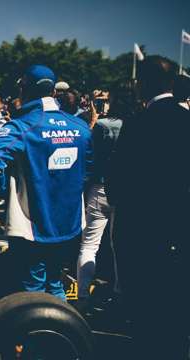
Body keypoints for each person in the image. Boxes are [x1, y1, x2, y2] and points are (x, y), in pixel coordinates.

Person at [0, 65, 93, 300]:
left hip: (34, 223)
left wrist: (4, 191)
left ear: (26, 89)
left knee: (33, 286)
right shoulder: (81, 127)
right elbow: (90, 168)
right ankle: (59, 332)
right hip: (69, 221)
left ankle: (35, 334)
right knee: (56, 282)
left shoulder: (22, 126)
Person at [109, 56, 189, 358]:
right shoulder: (186, 120)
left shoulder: (139, 122)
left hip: (140, 227)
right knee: (177, 301)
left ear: (145, 82)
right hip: (180, 226)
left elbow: (117, 179)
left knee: (143, 306)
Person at [76, 90, 126, 309]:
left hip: (100, 186)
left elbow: (90, 154)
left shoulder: (102, 125)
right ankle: (119, 292)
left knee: (89, 244)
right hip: (125, 189)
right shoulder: (134, 124)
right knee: (120, 245)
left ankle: (83, 293)